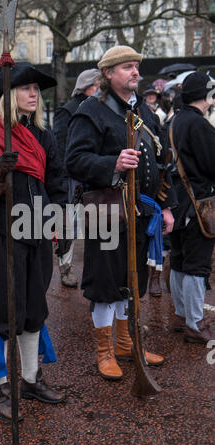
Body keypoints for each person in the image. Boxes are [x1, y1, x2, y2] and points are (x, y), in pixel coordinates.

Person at [0, 62, 68, 421]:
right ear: (8, 96)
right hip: (0, 235)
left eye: (36, 89)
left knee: (32, 309)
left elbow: (57, 183)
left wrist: (61, 223)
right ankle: (1, 387)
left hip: (36, 233)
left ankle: (29, 378)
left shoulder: (44, 136)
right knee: (0, 311)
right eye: (26, 88)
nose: (33, 94)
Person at [66, 45, 176, 381]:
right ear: (109, 74)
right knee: (106, 283)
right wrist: (110, 163)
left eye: (136, 67)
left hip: (142, 212)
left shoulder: (140, 108)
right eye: (127, 67)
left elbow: (161, 159)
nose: (135, 73)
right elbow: (74, 160)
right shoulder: (91, 110)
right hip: (107, 213)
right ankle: (105, 351)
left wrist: (166, 206)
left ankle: (127, 343)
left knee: (133, 280)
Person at [169, 71, 215, 344]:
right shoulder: (199, 125)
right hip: (198, 204)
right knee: (197, 265)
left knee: (178, 260)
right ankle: (194, 323)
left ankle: (181, 315)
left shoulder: (175, 120)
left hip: (176, 203)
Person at [53, 68, 101, 287]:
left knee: (97, 223)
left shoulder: (101, 109)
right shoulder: (67, 111)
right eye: (99, 85)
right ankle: (66, 267)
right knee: (68, 225)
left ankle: (96, 268)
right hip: (73, 177)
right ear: (89, 87)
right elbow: (60, 147)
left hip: (93, 175)